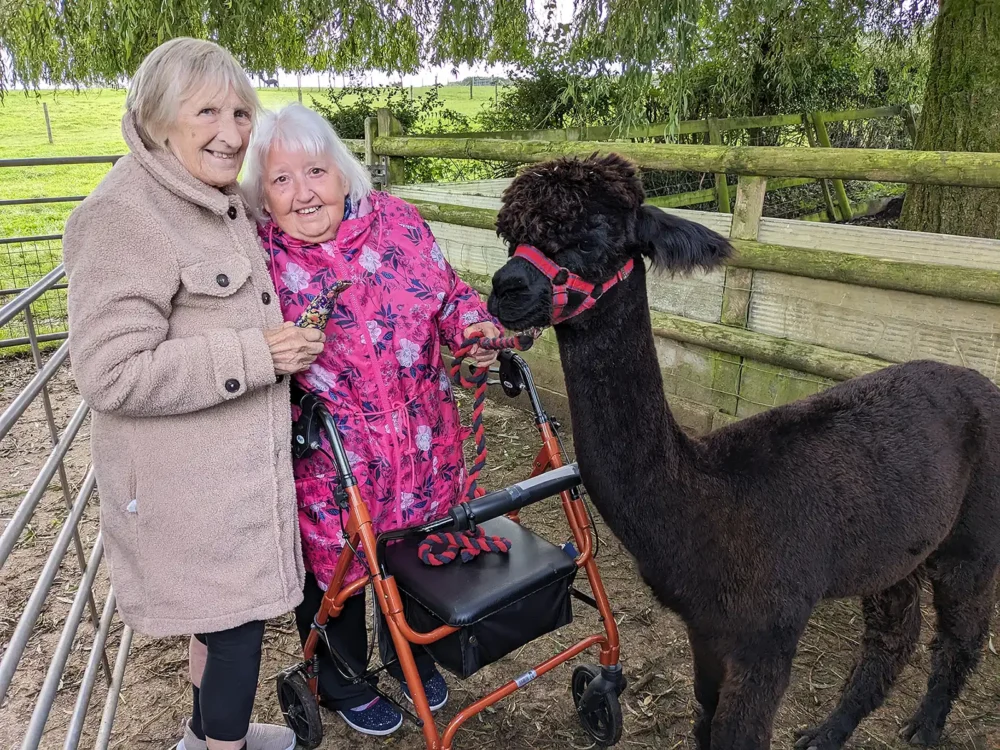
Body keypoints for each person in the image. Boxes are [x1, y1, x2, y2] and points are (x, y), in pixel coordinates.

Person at [61, 39, 325, 750]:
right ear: (156, 120)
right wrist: (258, 354)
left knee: (221, 625)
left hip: (227, 478)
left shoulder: (217, 198)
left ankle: (200, 738)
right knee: (237, 631)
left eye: (241, 111)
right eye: (207, 110)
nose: (234, 132)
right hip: (192, 488)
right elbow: (110, 372)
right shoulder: (123, 216)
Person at [241, 102, 502, 736]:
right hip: (330, 452)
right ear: (263, 196)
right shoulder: (255, 261)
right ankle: (342, 679)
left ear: (342, 170)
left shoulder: (399, 222)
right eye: (281, 180)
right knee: (339, 571)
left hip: (422, 434)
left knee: (417, 552)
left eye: (315, 171)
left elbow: (448, 294)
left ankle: (412, 651)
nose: (303, 194)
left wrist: (473, 328)